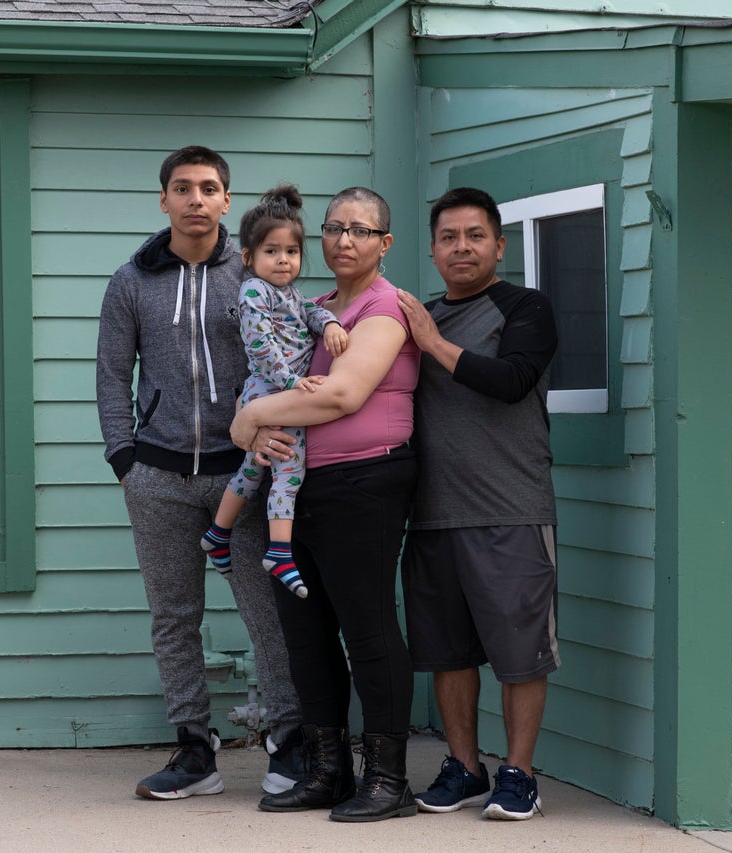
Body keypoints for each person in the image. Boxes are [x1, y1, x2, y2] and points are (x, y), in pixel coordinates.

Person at [96, 146, 304, 801]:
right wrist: (123, 459)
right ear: (164, 200)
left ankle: (289, 740)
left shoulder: (250, 276)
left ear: (225, 201)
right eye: (182, 187)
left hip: (240, 474)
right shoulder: (131, 280)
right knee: (173, 616)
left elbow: (285, 353)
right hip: (156, 476)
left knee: (264, 609)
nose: (194, 198)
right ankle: (194, 747)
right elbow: (110, 374)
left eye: (208, 187)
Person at [230, 186, 421, 823]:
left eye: (361, 230)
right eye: (335, 228)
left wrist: (251, 418)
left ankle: (388, 779)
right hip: (299, 487)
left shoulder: (383, 309)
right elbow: (260, 394)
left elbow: (340, 396)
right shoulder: (308, 308)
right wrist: (247, 428)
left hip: (365, 484)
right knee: (306, 638)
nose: (344, 240)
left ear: (383, 244)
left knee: (366, 629)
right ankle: (327, 770)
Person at [396, 186, 559, 821]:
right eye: (448, 238)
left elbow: (512, 381)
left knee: (521, 654)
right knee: (448, 652)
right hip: (433, 512)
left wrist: (433, 343)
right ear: (434, 249)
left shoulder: (525, 307)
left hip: (510, 508)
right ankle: (464, 768)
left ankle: (519, 773)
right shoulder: (418, 318)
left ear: (499, 244)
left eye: (474, 236)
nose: (461, 247)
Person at [200, 184, 348, 600]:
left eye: (291, 252)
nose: (283, 260)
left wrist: (331, 324)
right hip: (271, 392)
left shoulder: (290, 295)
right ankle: (279, 552)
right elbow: (259, 343)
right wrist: (290, 383)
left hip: (277, 394)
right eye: (271, 251)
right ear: (248, 258)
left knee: (253, 470)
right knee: (289, 471)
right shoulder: (253, 292)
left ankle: (218, 533)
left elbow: (313, 310)